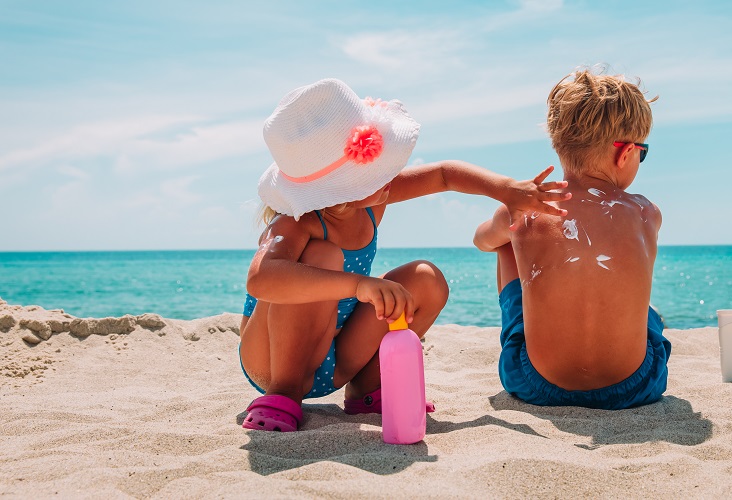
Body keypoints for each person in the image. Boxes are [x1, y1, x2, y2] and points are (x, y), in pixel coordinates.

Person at [238, 78, 568, 432]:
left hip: (334, 358)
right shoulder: (296, 222)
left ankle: (368, 388)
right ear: (336, 189)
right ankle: (284, 394)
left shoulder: (370, 201)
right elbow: (262, 279)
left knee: (426, 279)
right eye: (372, 169)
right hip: (272, 359)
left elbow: (443, 175)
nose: (388, 174)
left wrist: (505, 190)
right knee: (323, 256)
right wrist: (357, 285)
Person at [472, 68, 671, 410]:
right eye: (643, 152)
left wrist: (510, 218)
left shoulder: (527, 209)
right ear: (624, 154)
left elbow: (481, 240)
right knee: (648, 315)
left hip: (537, 383)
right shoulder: (645, 213)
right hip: (633, 386)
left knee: (507, 241)